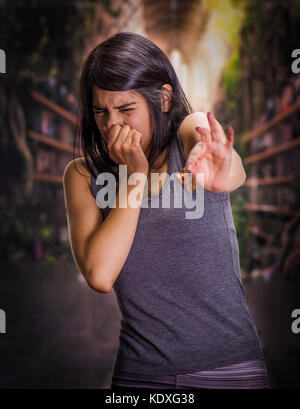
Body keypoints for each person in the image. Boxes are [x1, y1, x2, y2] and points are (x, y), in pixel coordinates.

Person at [63, 32, 270, 389]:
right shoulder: (83, 175)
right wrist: (134, 175)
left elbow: (231, 167)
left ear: (162, 99)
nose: (113, 125)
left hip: (230, 366)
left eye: (126, 110)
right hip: (140, 374)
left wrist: (226, 167)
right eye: (101, 112)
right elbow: (99, 274)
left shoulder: (188, 135)